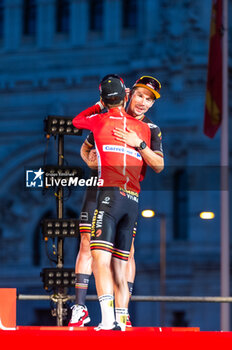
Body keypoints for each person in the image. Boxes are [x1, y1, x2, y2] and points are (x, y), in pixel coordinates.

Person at [68, 75, 164, 328]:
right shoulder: (108, 115)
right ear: (130, 93)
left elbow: (159, 164)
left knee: (126, 252)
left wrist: (140, 145)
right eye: (140, 96)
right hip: (99, 189)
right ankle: (80, 307)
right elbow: (85, 147)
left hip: (127, 193)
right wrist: (91, 161)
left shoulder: (150, 129)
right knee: (88, 243)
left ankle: (121, 313)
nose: (143, 103)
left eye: (149, 99)